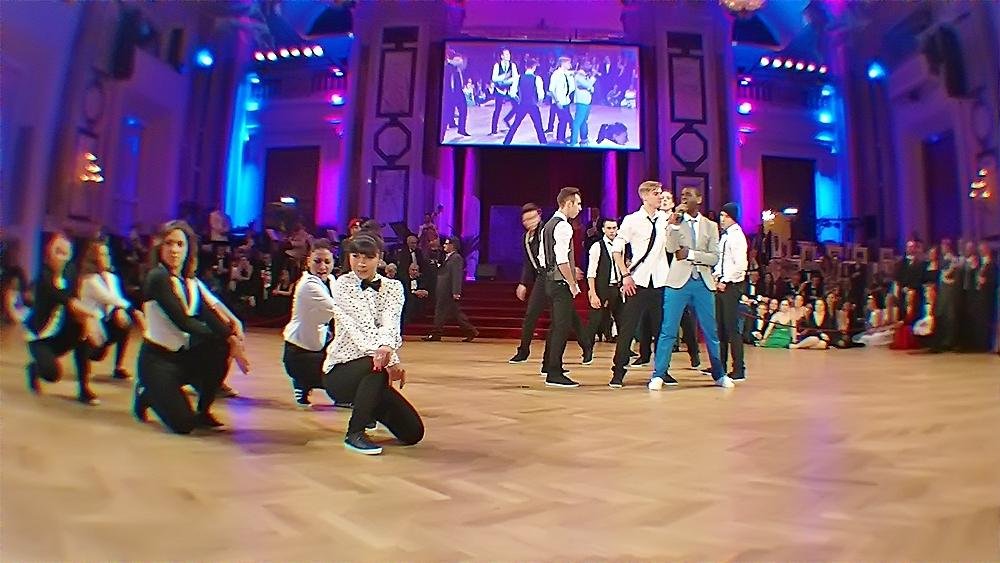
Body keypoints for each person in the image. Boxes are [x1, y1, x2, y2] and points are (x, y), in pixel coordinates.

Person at [133, 220, 250, 434]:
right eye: (169, 243)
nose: (174, 250)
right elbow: (183, 322)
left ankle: (203, 411)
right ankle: (146, 392)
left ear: (188, 249)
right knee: (184, 425)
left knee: (220, 348)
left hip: (182, 357)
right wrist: (225, 338)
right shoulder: (157, 277)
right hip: (157, 359)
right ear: (160, 246)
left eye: (180, 244)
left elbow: (210, 315)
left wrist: (232, 339)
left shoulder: (190, 282)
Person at [322, 233, 424, 455]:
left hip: (374, 370)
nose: (361, 263)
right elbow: (362, 328)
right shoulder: (342, 285)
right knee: (375, 366)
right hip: (341, 372)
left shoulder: (394, 287)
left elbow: (391, 323)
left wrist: (388, 352)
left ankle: (367, 408)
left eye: (368, 257)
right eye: (355, 256)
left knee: (413, 433)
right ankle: (355, 433)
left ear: (379, 257)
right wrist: (390, 360)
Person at [649, 186, 734, 390]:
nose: (684, 198)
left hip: (703, 282)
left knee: (710, 331)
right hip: (678, 282)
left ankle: (719, 373)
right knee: (668, 329)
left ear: (700, 199)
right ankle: (658, 374)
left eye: (689, 195)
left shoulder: (711, 226)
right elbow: (671, 248)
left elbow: (714, 257)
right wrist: (674, 226)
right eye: (682, 195)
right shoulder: (675, 222)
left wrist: (691, 254)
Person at [21, 232, 103, 404]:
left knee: (82, 333)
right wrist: (92, 315)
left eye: (65, 253)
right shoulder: (44, 276)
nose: (61, 257)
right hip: (40, 336)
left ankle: (84, 389)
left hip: (61, 332)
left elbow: (76, 299)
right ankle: (35, 369)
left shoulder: (71, 272)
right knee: (52, 374)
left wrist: (87, 322)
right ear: (49, 252)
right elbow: (67, 300)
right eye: (57, 252)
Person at [608, 181, 670, 388]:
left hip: (660, 281)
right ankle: (618, 371)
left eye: (660, 193)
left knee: (661, 329)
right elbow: (617, 249)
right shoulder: (632, 220)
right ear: (645, 196)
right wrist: (625, 275)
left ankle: (662, 371)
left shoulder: (665, 219)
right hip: (638, 281)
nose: (660, 196)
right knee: (628, 328)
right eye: (656, 193)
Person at [509, 203, 588, 364]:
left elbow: (560, 252)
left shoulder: (548, 230)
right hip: (541, 278)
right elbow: (528, 263)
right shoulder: (526, 238)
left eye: (532, 218)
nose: (529, 222)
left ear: (539, 215)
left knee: (568, 316)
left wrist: (571, 270)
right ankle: (523, 351)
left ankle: (586, 346)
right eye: (525, 220)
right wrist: (523, 283)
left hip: (555, 276)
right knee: (531, 314)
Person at [77, 238, 146, 381]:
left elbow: (116, 300)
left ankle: (118, 367)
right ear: (94, 258)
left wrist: (120, 311)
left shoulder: (112, 278)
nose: (107, 258)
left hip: (105, 320)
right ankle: (83, 364)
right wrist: (134, 310)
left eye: (107, 254)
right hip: (91, 325)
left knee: (123, 320)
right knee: (95, 353)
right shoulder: (89, 280)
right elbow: (109, 298)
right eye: (102, 255)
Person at [282, 239, 340, 408]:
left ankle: (304, 382)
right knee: (341, 377)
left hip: (317, 346)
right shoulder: (308, 284)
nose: (322, 267)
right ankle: (303, 380)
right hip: (298, 353)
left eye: (327, 262)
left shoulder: (331, 280)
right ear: (308, 261)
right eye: (317, 261)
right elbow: (338, 309)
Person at [537, 187, 586, 387]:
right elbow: (562, 260)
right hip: (560, 282)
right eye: (578, 204)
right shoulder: (564, 226)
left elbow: (542, 257)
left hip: (549, 280)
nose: (580, 208)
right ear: (568, 203)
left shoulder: (547, 225)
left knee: (557, 325)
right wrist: (572, 283)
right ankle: (554, 372)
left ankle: (549, 366)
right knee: (561, 327)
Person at [713, 203, 748, 381]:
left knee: (732, 328)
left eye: (725, 216)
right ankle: (720, 365)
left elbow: (740, 265)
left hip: (731, 286)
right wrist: (716, 276)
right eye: (721, 215)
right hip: (721, 284)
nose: (722, 219)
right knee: (720, 328)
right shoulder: (725, 236)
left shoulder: (737, 236)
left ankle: (738, 368)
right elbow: (722, 261)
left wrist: (725, 280)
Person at [423, 236, 478, 341]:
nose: (444, 245)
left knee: (441, 311)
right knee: (454, 313)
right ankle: (471, 331)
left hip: (447, 290)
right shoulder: (446, 257)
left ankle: (436, 333)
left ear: (453, 245)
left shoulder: (456, 258)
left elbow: (457, 275)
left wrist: (456, 291)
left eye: (446, 244)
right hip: (443, 289)